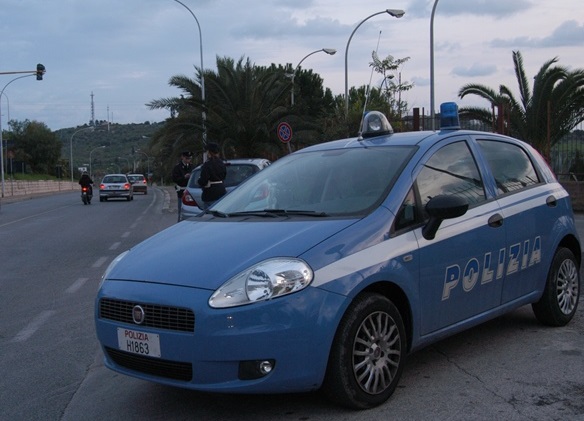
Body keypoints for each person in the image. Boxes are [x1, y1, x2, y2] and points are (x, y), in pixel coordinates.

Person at [197, 142, 226, 209]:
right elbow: (224, 176)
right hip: (221, 190)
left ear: (210, 152)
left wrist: (199, 182)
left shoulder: (207, 165)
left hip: (210, 194)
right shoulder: (221, 163)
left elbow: (203, 180)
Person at [172, 151, 194, 220]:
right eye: (187, 158)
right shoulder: (177, 167)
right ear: (183, 158)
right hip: (181, 191)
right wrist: (184, 177)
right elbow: (175, 178)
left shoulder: (192, 166)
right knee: (181, 211)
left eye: (189, 158)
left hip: (191, 191)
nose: (188, 160)